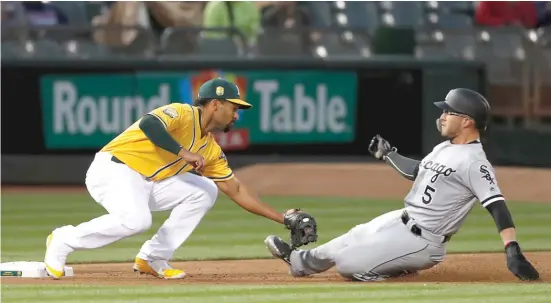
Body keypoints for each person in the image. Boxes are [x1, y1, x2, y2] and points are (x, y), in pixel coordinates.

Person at [44, 78, 317, 279]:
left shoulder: (210, 148)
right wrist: (182, 151)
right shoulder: (183, 113)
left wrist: (283, 218)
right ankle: (63, 239)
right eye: (233, 108)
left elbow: (235, 190)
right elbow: (150, 124)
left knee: (204, 190)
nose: (237, 114)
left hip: (148, 182)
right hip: (114, 168)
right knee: (137, 220)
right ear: (214, 104)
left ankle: (153, 257)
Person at [265, 88, 540, 282]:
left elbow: (498, 208)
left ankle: (396, 273)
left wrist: (512, 250)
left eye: (449, 112)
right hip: (401, 219)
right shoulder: (445, 147)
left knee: (350, 265)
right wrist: (389, 154)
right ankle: (300, 262)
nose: (442, 116)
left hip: (425, 240)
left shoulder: (475, 163)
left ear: (467, 121)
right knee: (353, 237)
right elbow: (417, 171)